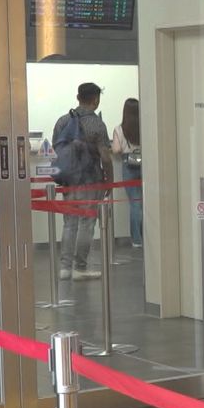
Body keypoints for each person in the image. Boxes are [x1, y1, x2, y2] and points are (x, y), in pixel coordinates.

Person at [52, 82, 112, 281]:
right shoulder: (97, 124)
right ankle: (80, 267)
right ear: (96, 100)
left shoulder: (62, 121)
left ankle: (64, 268)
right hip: (90, 180)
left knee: (69, 224)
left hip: (69, 180)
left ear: (78, 98)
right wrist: (109, 181)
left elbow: (56, 151)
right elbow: (105, 156)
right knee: (87, 223)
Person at [112, 97, 142, 248]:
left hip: (128, 164)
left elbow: (116, 150)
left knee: (135, 204)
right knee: (147, 203)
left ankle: (137, 240)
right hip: (145, 164)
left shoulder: (119, 129)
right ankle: (149, 237)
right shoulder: (145, 126)